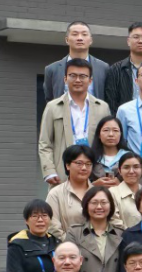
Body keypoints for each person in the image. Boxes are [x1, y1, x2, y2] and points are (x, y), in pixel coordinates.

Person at [39, 58, 112, 186]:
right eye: (73, 76)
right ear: (65, 79)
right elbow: (45, 143)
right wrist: (49, 171)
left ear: (90, 81)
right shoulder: (53, 107)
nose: (78, 80)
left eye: (83, 76)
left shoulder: (102, 107)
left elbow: (108, 144)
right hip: (63, 172)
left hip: (95, 173)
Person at [65, 186, 125, 272]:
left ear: (111, 206)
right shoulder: (74, 233)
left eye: (104, 202)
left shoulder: (120, 234)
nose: (99, 207)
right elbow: (69, 265)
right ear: (86, 205)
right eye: (94, 202)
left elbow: (124, 268)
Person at [42, 21, 109, 101]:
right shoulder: (52, 69)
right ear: (67, 40)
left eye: (84, 34)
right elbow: (49, 99)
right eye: (75, 34)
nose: (80, 38)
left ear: (91, 40)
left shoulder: (103, 68)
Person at [45, 145, 98, 237]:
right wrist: (71, 244)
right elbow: (53, 227)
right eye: (79, 163)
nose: (84, 168)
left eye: (88, 164)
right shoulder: (55, 193)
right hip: (66, 244)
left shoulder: (99, 193)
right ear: (67, 165)